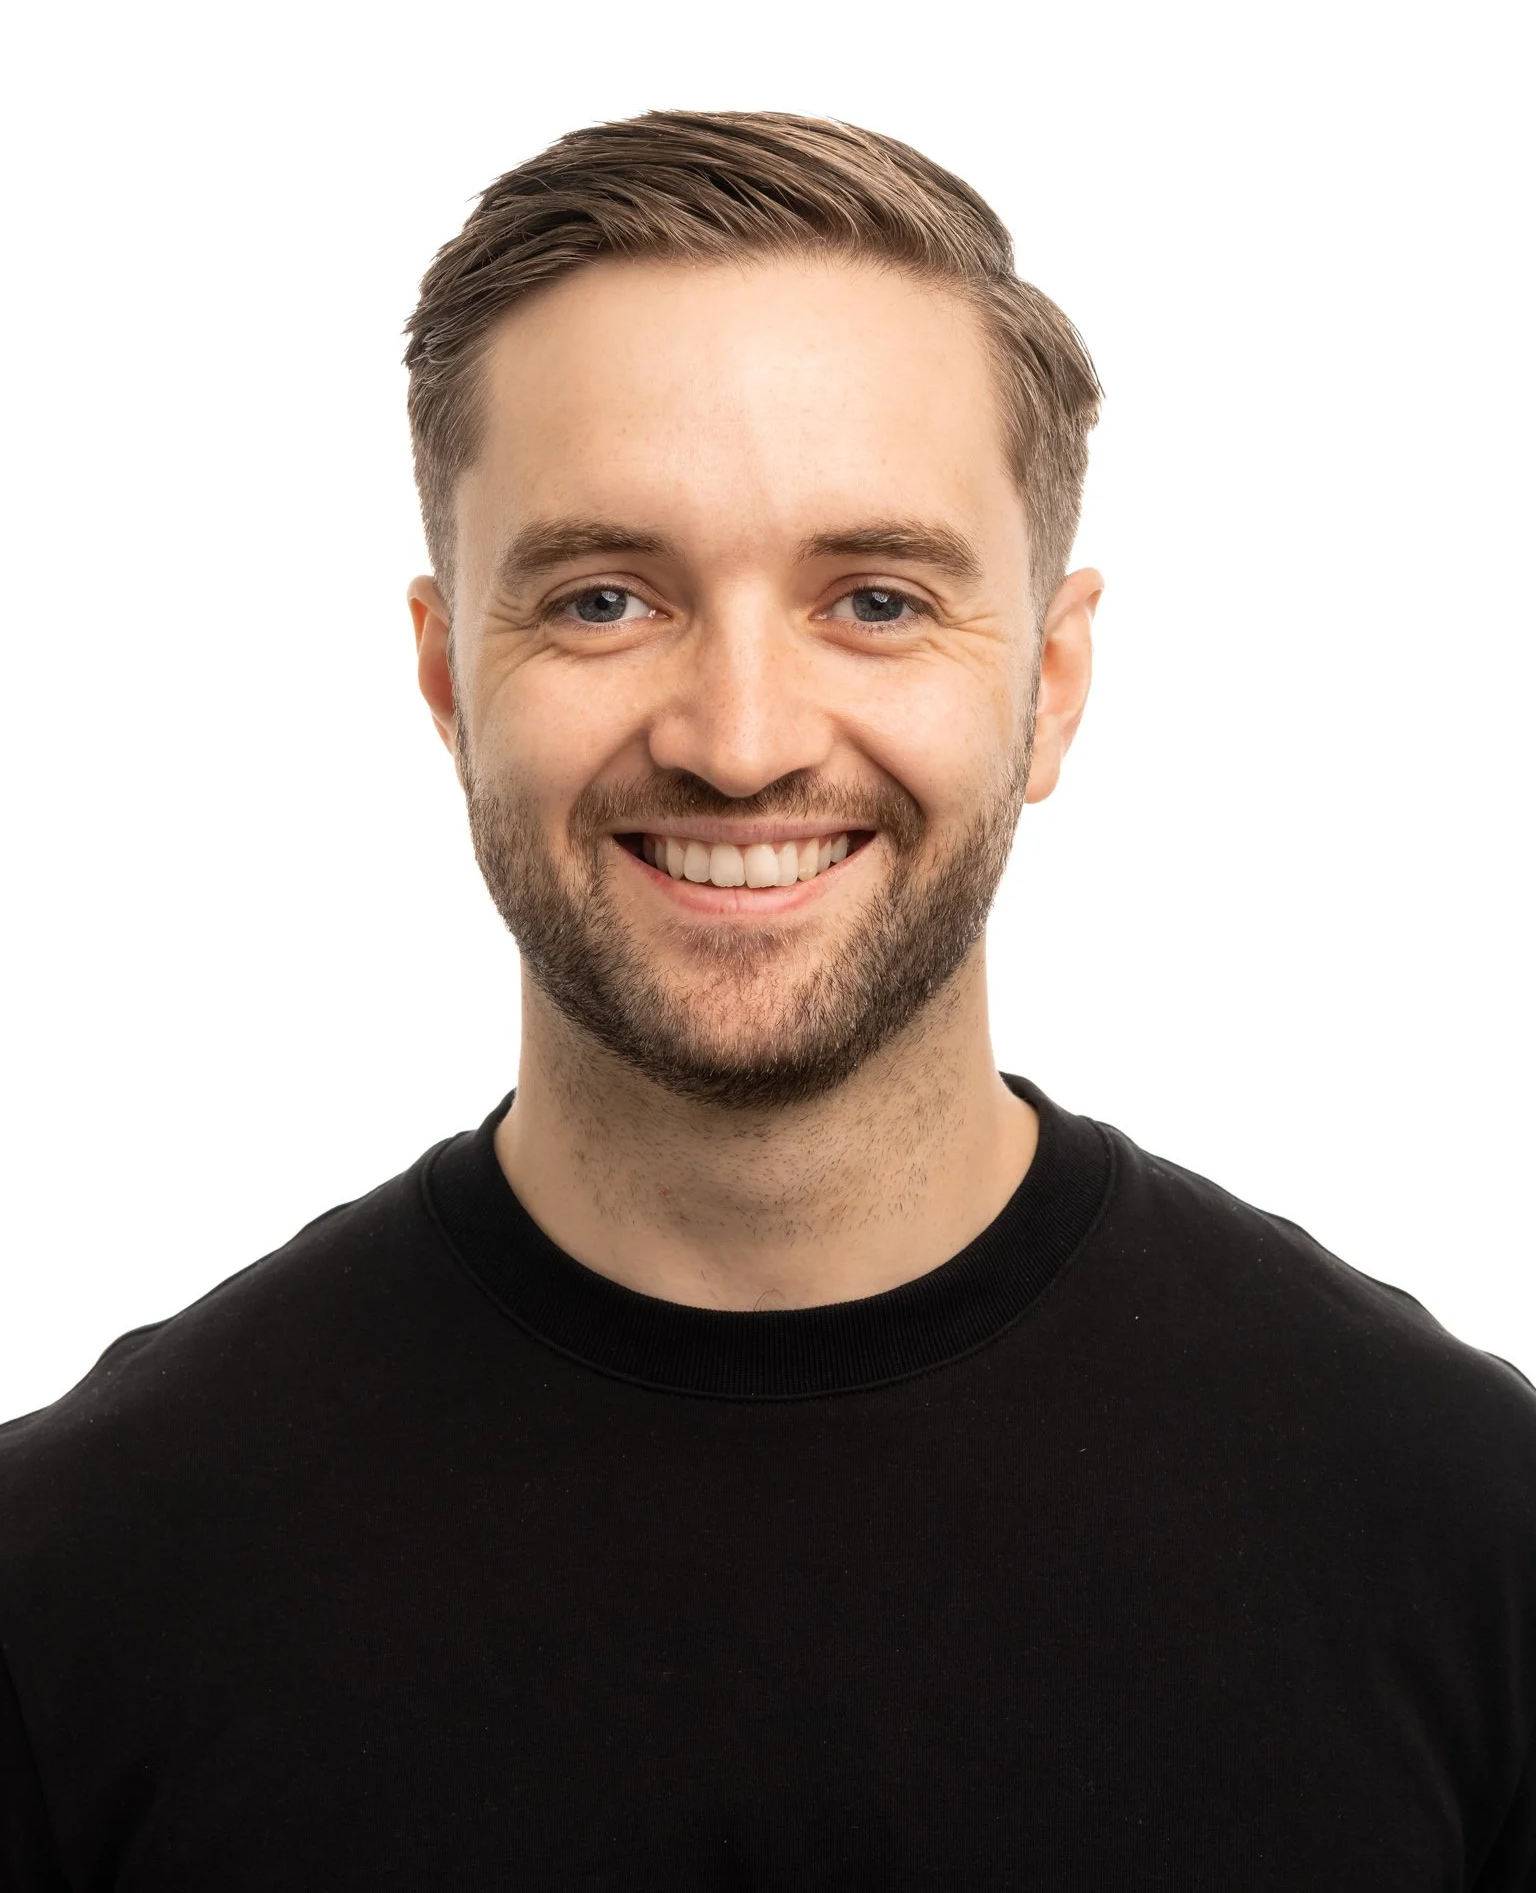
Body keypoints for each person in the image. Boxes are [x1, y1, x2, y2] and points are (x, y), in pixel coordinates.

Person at [2, 112, 1532, 1892]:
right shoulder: (77, 1593)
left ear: (1050, 680)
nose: (741, 740)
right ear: (444, 677)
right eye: (603, 598)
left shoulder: (1463, 1542)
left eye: (873, 599)